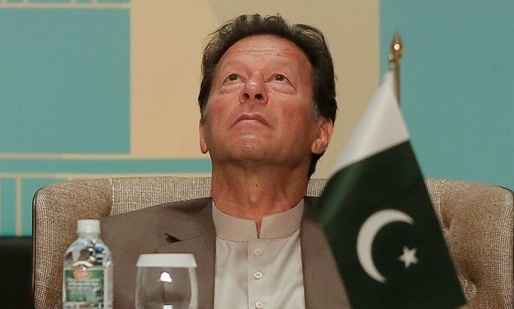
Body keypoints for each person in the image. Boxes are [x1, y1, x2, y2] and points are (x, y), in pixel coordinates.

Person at [101, 13, 350, 309]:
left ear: (320, 132)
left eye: (279, 78)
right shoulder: (114, 250)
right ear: (203, 131)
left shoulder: (373, 250)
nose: (252, 90)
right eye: (233, 78)